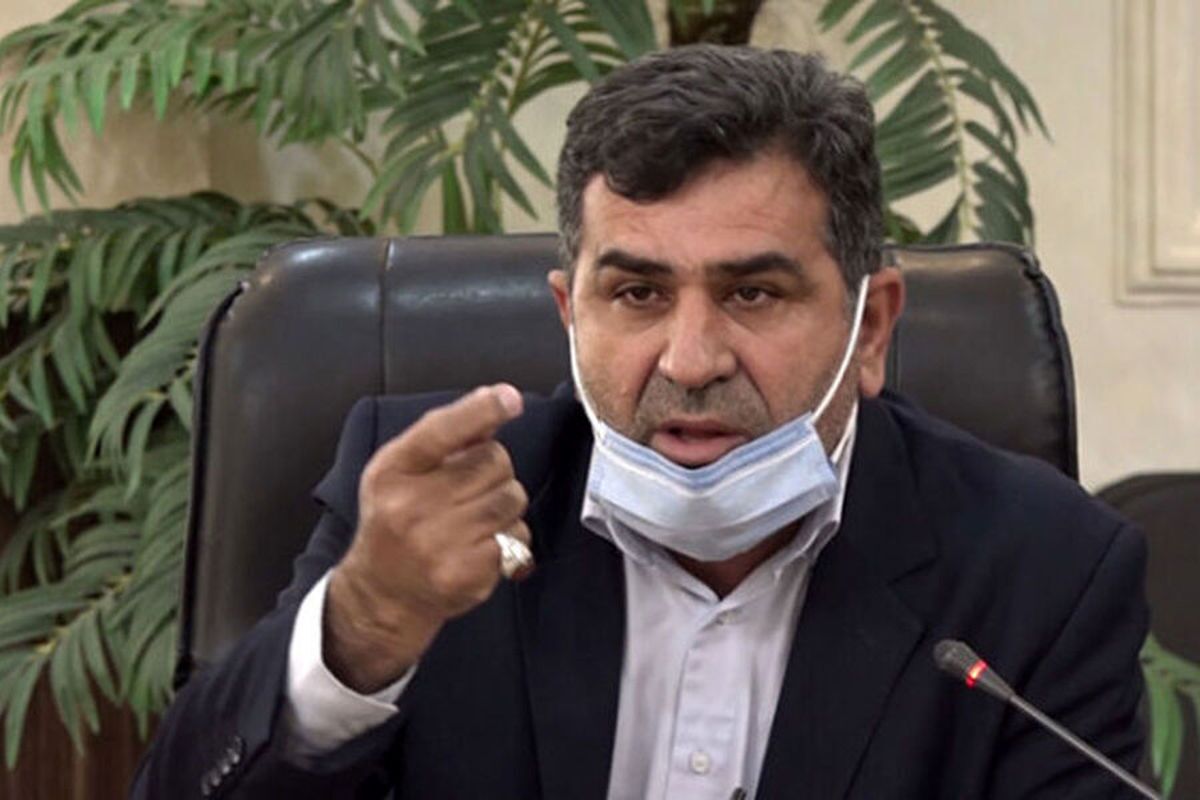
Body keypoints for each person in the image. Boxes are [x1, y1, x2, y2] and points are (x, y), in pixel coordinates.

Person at [131, 46, 1148, 799]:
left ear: (871, 327)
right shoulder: (435, 509)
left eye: (752, 294)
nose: (690, 359)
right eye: (637, 294)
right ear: (570, 314)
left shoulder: (1040, 571)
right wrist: (362, 627)